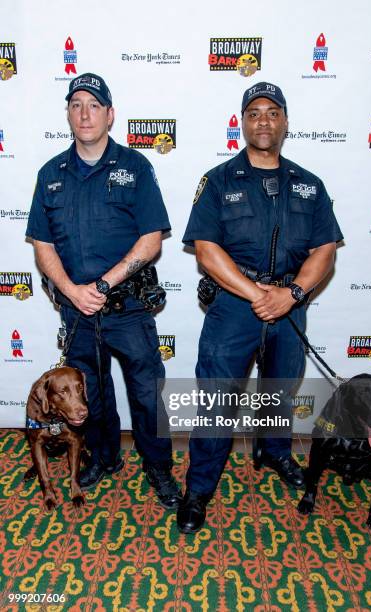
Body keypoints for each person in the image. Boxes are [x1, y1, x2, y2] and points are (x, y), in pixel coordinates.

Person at [179, 82, 343, 533]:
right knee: (216, 403)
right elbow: (207, 250)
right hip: (234, 306)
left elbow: (325, 249)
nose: (264, 120)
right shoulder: (217, 181)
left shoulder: (309, 184)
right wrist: (258, 295)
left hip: (290, 305)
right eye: (254, 112)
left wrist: (289, 296)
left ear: (286, 122)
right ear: (243, 122)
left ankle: (274, 453)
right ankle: (198, 489)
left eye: (273, 112)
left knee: (281, 391)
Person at [26, 73, 181, 509]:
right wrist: (72, 291)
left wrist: (102, 284)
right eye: (76, 104)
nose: (84, 113)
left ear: (110, 115)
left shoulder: (135, 167)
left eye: (94, 105)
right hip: (75, 310)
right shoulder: (50, 174)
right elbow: (43, 245)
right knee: (88, 396)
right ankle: (105, 457)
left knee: (148, 394)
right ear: (68, 115)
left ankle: (158, 468)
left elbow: (152, 239)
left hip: (128, 306)